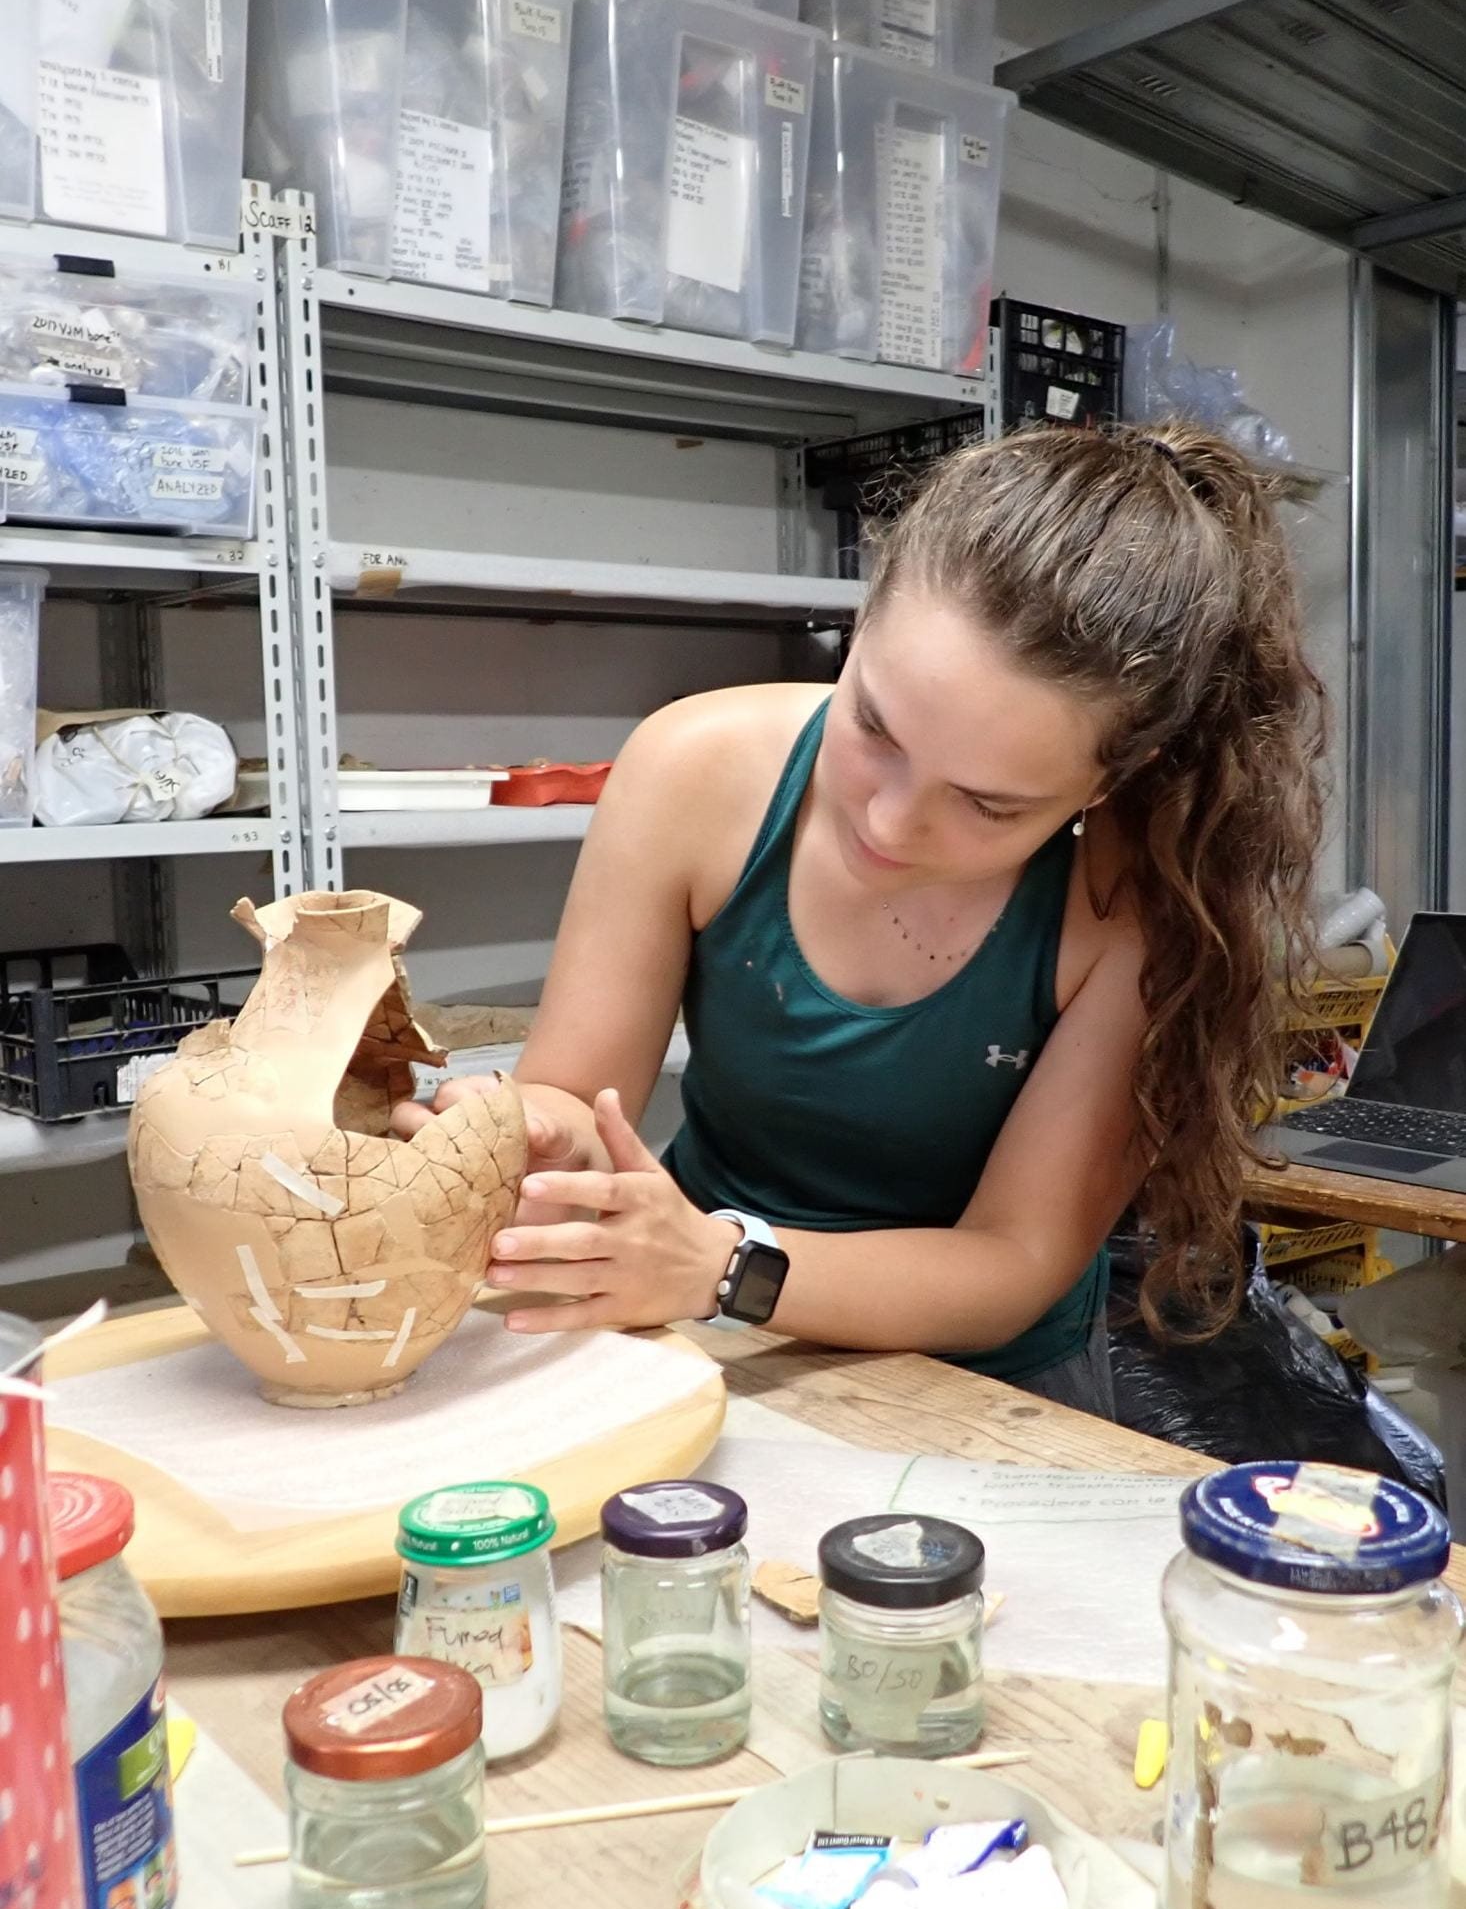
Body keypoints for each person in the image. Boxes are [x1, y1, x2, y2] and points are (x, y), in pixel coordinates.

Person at [392, 424, 1326, 1414]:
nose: (888, 819)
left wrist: (724, 1265)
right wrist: (538, 1137)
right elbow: (577, 1096)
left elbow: (1007, 1265)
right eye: (872, 725)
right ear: (860, 621)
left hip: (983, 1380)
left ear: (1111, 777)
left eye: (986, 804)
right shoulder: (693, 771)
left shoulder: (1135, 902)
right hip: (691, 1321)